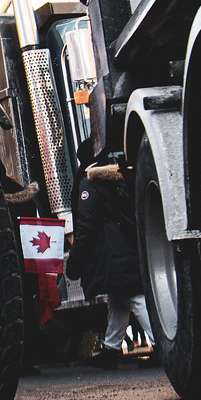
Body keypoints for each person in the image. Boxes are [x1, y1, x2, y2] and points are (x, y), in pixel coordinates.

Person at [66, 148, 144, 367]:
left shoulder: (90, 184)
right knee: (119, 299)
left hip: (110, 252)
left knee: (134, 297)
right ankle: (110, 348)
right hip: (127, 247)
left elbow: (86, 224)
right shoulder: (120, 179)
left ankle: (161, 343)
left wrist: (76, 257)